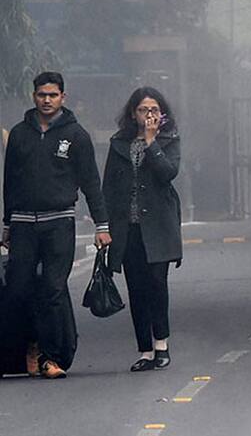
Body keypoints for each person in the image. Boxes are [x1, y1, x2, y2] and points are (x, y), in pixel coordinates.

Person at [1, 71, 111, 379]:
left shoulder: (76, 136)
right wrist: (7, 223)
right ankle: (31, 343)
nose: (46, 100)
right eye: (41, 95)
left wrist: (102, 224)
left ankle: (50, 357)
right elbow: (10, 181)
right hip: (23, 224)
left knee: (52, 289)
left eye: (52, 95)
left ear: (63, 97)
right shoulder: (20, 134)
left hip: (59, 223)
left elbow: (91, 183)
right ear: (33, 96)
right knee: (18, 290)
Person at [102, 87, 182, 372]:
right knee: (136, 288)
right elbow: (109, 186)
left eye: (154, 110)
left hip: (158, 226)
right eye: (142, 110)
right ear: (132, 113)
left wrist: (151, 143)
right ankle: (145, 350)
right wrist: (104, 225)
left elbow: (168, 173)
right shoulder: (119, 143)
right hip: (128, 227)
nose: (148, 115)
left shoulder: (169, 140)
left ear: (162, 114)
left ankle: (162, 344)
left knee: (157, 285)